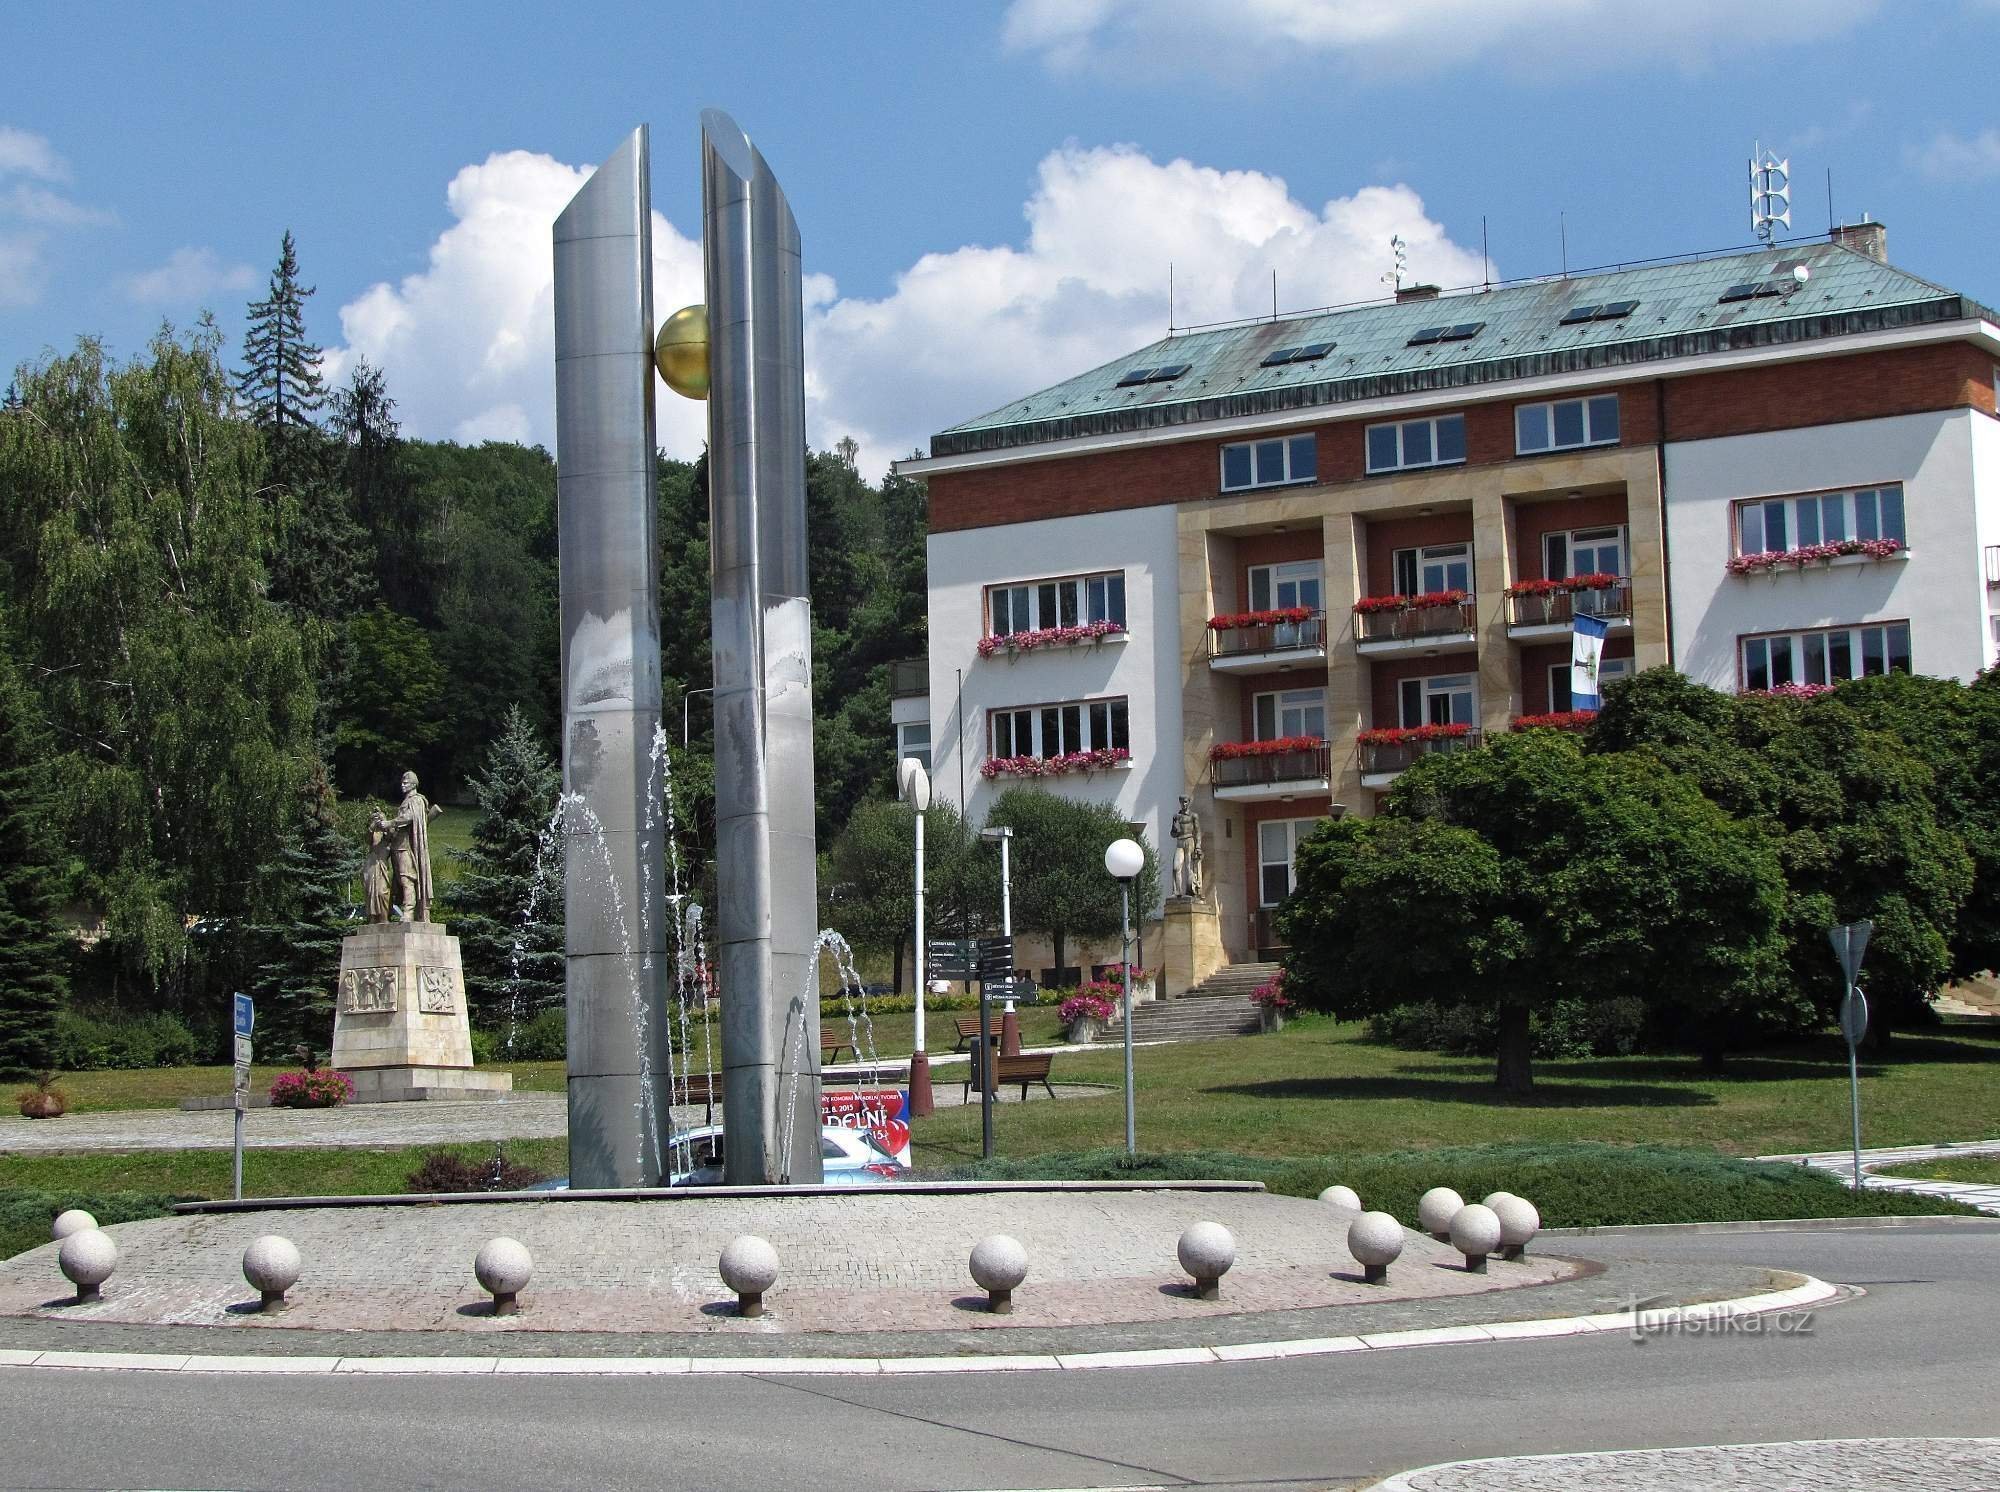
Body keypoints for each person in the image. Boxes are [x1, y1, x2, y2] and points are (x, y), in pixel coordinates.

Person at [385, 770, 444, 923]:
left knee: (407, 878)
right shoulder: (406, 801)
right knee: (399, 880)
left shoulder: (417, 800)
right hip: (397, 845)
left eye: (405, 783)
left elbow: (409, 817)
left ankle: (409, 912)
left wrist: (390, 822)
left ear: (413, 784)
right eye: (402, 782)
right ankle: (396, 911)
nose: (402, 785)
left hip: (407, 846)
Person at [362, 810, 393, 922]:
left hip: (382, 866)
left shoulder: (387, 834)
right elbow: (367, 838)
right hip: (371, 865)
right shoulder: (372, 833)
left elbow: (391, 835)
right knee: (371, 892)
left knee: (382, 892)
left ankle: (384, 917)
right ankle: (372, 918)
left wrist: (385, 821)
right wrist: (373, 825)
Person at [1171, 795, 1204, 899]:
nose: (1184, 804)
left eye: (1185, 802)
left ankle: (1190, 891)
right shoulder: (1177, 816)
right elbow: (1173, 834)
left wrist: (1198, 846)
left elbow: (1197, 832)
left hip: (1189, 840)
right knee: (1176, 867)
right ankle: (1177, 892)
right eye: (1182, 802)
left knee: (1189, 867)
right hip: (1180, 842)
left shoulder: (1193, 816)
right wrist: (1174, 827)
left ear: (1189, 802)